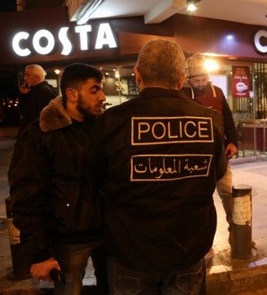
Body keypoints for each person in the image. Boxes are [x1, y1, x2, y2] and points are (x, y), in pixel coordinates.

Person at [85, 39, 227, 294]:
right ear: (182, 78)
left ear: (138, 76)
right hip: (189, 246)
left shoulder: (112, 121)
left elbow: (93, 178)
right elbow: (217, 173)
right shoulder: (210, 120)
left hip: (131, 250)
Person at [8, 63, 107, 294]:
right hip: (67, 241)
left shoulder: (104, 128)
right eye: (94, 90)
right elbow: (27, 195)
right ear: (72, 94)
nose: (102, 96)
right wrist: (40, 253)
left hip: (109, 234)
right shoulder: (40, 134)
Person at [182, 52, 238, 241]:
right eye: (196, 80)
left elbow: (228, 119)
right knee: (200, 200)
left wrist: (232, 141)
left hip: (220, 153)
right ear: (188, 79)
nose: (200, 82)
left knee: (229, 194)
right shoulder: (181, 94)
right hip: (195, 157)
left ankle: (237, 234)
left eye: (204, 78)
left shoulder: (217, 92)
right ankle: (202, 239)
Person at [18, 64, 57, 133]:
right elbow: (24, 112)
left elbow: (44, 121)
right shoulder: (36, 91)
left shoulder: (43, 92)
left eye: (27, 75)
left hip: (36, 139)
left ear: (37, 78)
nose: (25, 78)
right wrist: (23, 95)